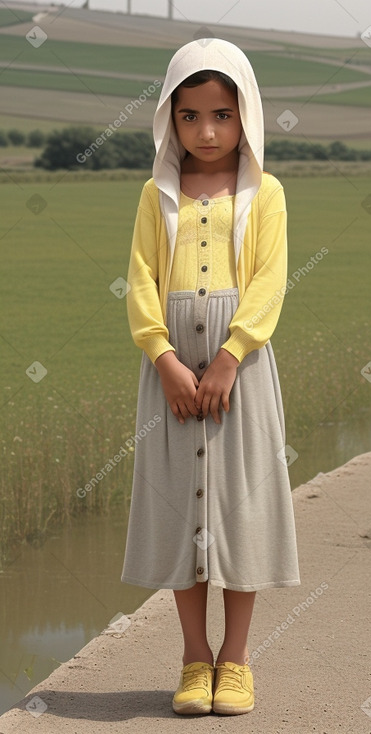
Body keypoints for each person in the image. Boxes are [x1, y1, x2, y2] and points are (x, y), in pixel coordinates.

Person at [121, 37, 300, 716]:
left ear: (244, 116)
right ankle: (195, 659)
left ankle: (237, 661)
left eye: (221, 115)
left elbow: (268, 281)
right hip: (168, 371)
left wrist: (230, 356)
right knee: (181, 513)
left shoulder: (266, 193)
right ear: (168, 117)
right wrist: (162, 357)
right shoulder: (154, 194)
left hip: (241, 370)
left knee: (238, 512)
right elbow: (140, 281)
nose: (205, 130)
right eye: (189, 115)